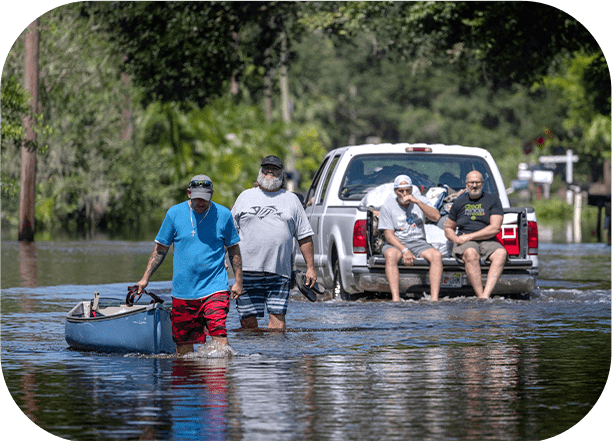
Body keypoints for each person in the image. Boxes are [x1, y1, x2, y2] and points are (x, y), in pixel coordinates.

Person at [136, 174, 243, 355]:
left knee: (218, 332)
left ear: (212, 193)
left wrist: (238, 281)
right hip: (183, 291)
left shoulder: (223, 215)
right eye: (197, 198)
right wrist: (145, 279)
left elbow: (233, 250)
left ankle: (218, 380)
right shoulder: (174, 214)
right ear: (188, 193)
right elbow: (160, 250)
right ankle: (190, 380)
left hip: (215, 287)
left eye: (205, 197)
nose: (201, 202)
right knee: (184, 346)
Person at [231, 155, 317, 329]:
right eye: (266, 168)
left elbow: (304, 236)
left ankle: (275, 356)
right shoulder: (245, 197)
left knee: (278, 323)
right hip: (246, 270)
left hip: (279, 271)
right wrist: (221, 261)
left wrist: (310, 268)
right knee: (247, 323)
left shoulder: (292, 200)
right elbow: (229, 234)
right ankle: (254, 356)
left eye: (275, 169)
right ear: (260, 171)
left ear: (282, 174)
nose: (270, 171)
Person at [378, 174, 443, 302]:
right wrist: (404, 250)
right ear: (395, 191)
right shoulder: (388, 207)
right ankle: (395, 298)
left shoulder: (421, 201)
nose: (404, 194)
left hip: (419, 242)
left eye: (407, 190)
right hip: (397, 242)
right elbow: (389, 235)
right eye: (401, 191)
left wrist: (417, 202)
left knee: (436, 256)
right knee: (391, 255)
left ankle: (434, 298)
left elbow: (436, 217)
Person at [444, 170, 507, 299]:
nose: (474, 185)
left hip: (488, 241)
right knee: (471, 253)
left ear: (482, 183)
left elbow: (494, 228)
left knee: (501, 253)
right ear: (466, 184)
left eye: (477, 182)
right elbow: (448, 227)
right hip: (465, 244)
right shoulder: (458, 203)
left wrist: (469, 236)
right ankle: (481, 296)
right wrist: (455, 238)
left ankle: (485, 295)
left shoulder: (493, 200)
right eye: (471, 182)